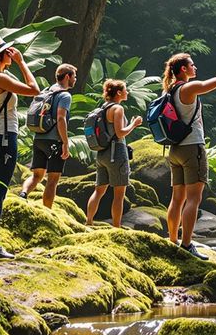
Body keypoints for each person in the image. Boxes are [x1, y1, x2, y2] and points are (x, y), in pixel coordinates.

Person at [163, 47, 216, 259]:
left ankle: (172, 240)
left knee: (177, 198)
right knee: (193, 199)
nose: (195, 67)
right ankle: (187, 244)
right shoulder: (188, 88)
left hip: (175, 149)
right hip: (193, 148)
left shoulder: (170, 90)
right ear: (183, 69)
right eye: (192, 64)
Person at [0, 36, 39, 258]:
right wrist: (21, 62)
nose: (11, 52)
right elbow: (34, 89)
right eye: (6, 51)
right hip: (4, 138)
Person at [85, 79, 143, 227]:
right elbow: (120, 133)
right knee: (119, 195)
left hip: (102, 153)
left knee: (99, 191)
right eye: (125, 90)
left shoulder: (104, 108)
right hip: (116, 153)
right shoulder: (118, 109)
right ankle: (116, 227)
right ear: (118, 93)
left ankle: (89, 222)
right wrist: (134, 124)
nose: (127, 92)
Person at [19, 63, 77, 207]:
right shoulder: (64, 95)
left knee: (37, 176)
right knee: (52, 179)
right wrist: (65, 142)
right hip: (54, 141)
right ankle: (48, 210)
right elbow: (61, 118)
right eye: (74, 76)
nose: (75, 80)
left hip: (39, 138)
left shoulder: (46, 91)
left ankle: (23, 194)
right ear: (67, 76)